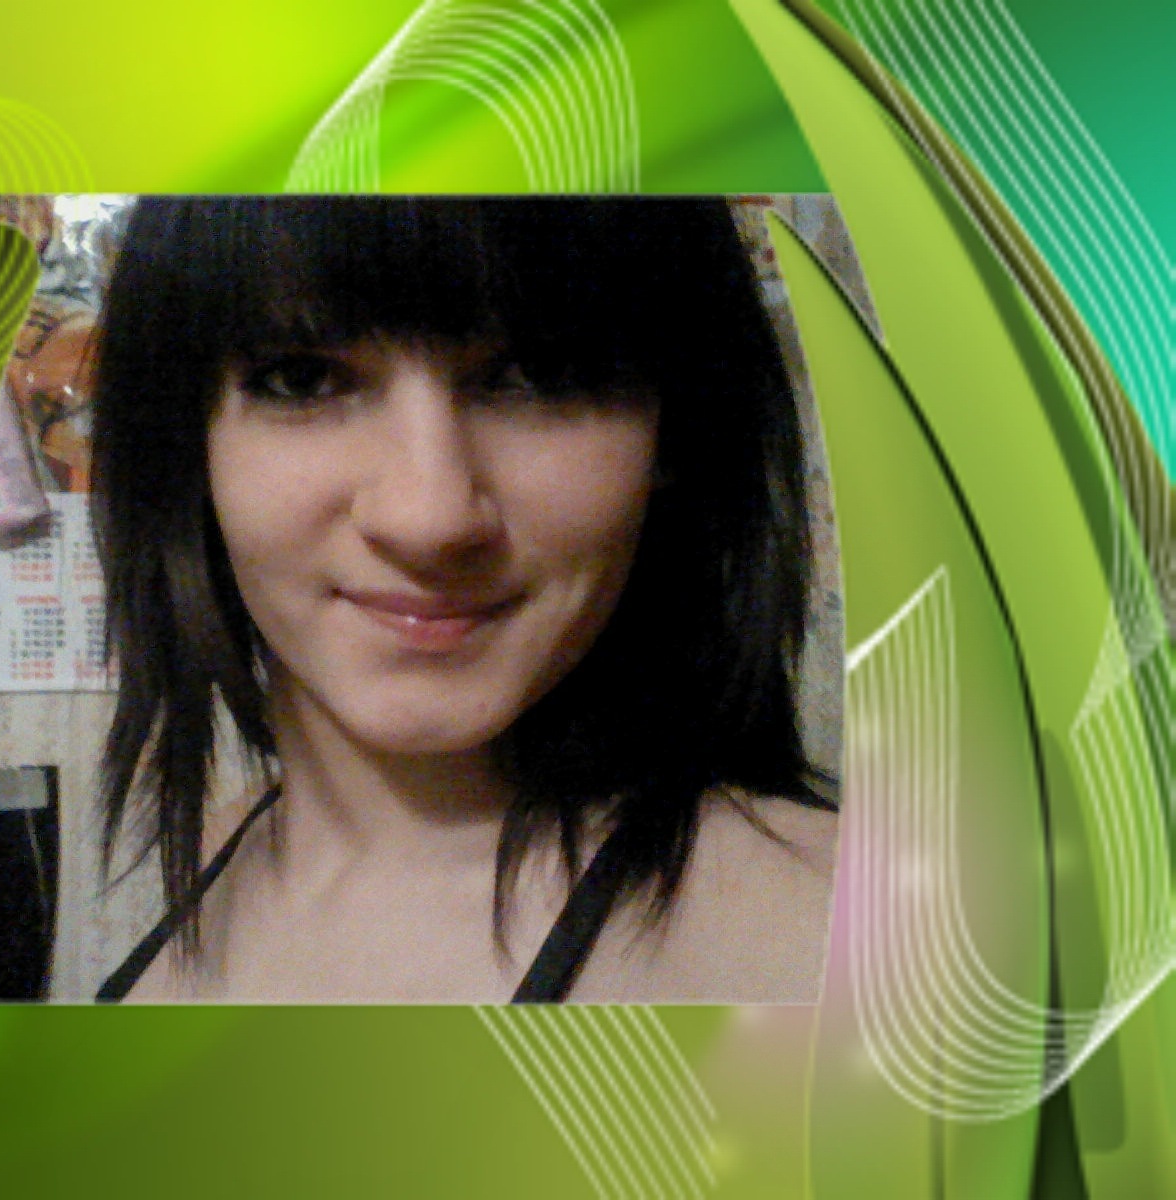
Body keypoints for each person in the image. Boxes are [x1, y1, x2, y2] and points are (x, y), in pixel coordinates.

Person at [88, 196, 838, 1003]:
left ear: (676, 433)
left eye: (541, 374)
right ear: (186, 443)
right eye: (302, 378)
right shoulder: (215, 848)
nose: (430, 517)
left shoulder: (847, 939)